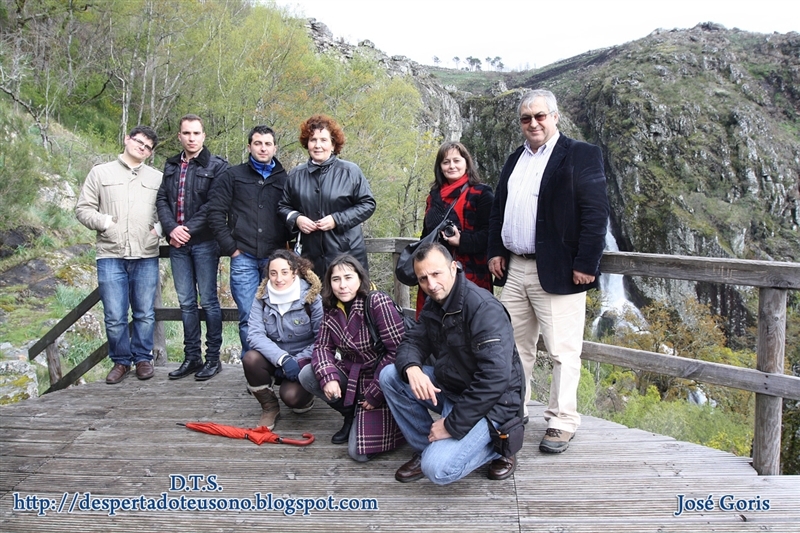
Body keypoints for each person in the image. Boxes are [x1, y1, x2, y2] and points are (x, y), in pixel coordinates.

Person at [487, 89, 609, 454]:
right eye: (526, 118)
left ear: (555, 117)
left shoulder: (581, 154)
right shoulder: (515, 159)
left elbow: (595, 211)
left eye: (540, 116)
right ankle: (514, 410)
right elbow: (499, 209)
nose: (533, 123)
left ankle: (561, 421)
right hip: (515, 268)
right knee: (513, 348)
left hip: (559, 270)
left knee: (562, 350)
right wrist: (495, 250)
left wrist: (587, 262)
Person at [380, 242, 523, 485]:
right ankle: (425, 447)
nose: (431, 284)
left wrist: (451, 425)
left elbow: (495, 378)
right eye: (423, 278)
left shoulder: (483, 308)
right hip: (453, 388)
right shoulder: (434, 303)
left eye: (436, 274)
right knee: (391, 376)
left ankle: (503, 444)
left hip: (494, 402)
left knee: (438, 470)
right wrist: (412, 368)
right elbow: (412, 341)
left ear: (454, 268)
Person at [75, 126, 163, 384]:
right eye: (139, 142)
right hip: (110, 254)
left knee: (145, 312)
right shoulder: (100, 172)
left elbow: (165, 211)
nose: (142, 148)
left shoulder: (157, 177)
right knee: (114, 314)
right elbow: (83, 208)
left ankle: (143, 358)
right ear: (127, 139)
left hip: (145, 253)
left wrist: (157, 230)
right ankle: (121, 361)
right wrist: (105, 223)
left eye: (148, 147)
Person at [298, 254, 405, 462]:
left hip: (381, 379)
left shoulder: (376, 302)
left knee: (358, 454)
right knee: (309, 374)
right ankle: (350, 414)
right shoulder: (331, 307)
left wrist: (375, 393)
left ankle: (398, 426)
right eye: (336, 279)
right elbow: (321, 346)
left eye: (348, 278)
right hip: (352, 375)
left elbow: (398, 352)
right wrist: (329, 376)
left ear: (360, 278)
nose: (342, 285)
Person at [156, 114, 229, 381]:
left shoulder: (217, 166)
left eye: (196, 133)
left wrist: (186, 229)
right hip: (177, 244)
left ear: (203, 136)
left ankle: (212, 359)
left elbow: (215, 204)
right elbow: (162, 199)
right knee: (186, 302)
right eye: (186, 133)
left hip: (205, 242)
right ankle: (192, 358)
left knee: (208, 301)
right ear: (180, 136)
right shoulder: (171, 165)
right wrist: (171, 229)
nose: (191, 138)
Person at [206, 125, 290, 357]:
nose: (263, 148)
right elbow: (215, 213)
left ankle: (275, 363)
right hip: (243, 257)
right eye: (258, 143)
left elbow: (292, 213)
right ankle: (253, 368)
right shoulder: (233, 176)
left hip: (275, 260)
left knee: (277, 314)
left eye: (268, 144)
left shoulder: (285, 179)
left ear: (275, 147)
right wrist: (231, 248)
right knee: (248, 315)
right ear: (249, 146)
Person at [278, 114, 376, 277]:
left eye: (323, 140)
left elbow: (367, 204)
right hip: (310, 257)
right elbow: (283, 207)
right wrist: (297, 219)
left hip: (347, 253)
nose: (318, 145)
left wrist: (337, 220)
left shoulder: (350, 171)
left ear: (333, 144)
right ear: (306, 143)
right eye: (313, 140)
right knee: (315, 300)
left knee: (350, 299)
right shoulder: (296, 175)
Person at [243, 250, 323, 430]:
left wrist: (297, 361)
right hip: (275, 357)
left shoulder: (312, 298)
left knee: (292, 398)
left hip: (303, 360)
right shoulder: (261, 298)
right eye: (273, 273)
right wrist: (282, 359)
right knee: (250, 358)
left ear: (295, 272)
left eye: (284, 272)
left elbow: (322, 340)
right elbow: (255, 334)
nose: (278, 278)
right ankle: (269, 407)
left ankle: (307, 395)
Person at [415, 141, 494, 314]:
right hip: (435, 274)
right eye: (446, 162)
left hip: (471, 274)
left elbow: (491, 235)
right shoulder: (433, 197)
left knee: (471, 322)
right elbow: (426, 235)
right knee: (432, 325)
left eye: (456, 160)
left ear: (466, 162)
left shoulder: (481, 193)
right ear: (440, 167)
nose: (452, 166)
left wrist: (462, 240)